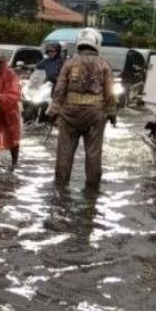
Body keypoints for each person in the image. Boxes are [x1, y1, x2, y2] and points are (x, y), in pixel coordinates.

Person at [47, 28, 116, 190]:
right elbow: (110, 94)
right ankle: (92, 192)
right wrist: (112, 114)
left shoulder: (69, 63)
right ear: (96, 43)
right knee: (93, 154)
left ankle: (60, 189)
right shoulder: (104, 64)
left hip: (69, 114)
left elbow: (59, 90)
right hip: (95, 114)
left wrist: (53, 111)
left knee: (64, 153)